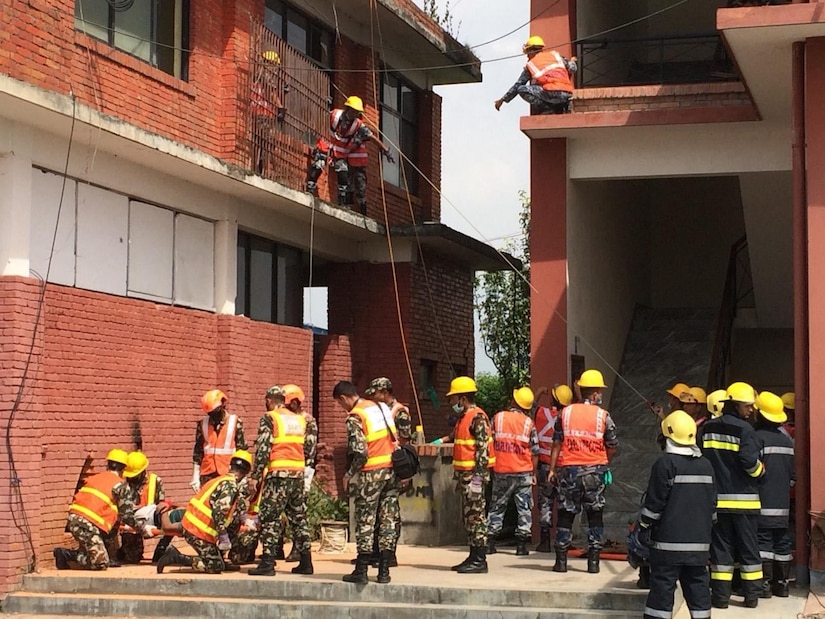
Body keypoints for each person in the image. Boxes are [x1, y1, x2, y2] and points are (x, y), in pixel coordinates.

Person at [637, 411, 716, 619]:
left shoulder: (665, 465)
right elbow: (712, 504)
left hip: (667, 546)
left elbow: (654, 504)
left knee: (662, 590)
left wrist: (643, 526)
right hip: (699, 546)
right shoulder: (706, 466)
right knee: (698, 588)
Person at [699, 381, 765, 609]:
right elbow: (749, 462)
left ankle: (719, 598)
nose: (751, 411)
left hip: (716, 502)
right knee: (748, 550)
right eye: (748, 406)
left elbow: (701, 458)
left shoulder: (707, 428)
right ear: (736, 405)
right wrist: (761, 471)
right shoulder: (745, 430)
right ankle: (752, 597)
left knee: (721, 551)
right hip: (744, 502)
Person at [547, 369, 619, 574]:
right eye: (599, 391)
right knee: (595, 514)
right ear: (595, 392)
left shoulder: (565, 413)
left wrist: (552, 470)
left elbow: (556, 444)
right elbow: (612, 445)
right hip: (595, 472)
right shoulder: (603, 416)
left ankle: (561, 561)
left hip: (569, 471)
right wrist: (603, 462)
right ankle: (594, 562)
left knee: (565, 514)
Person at [335, 380, 401, 584]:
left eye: (340, 403)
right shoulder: (381, 407)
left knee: (366, 520)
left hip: (372, 473)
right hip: (392, 472)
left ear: (344, 398)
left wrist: (349, 473)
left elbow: (361, 452)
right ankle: (383, 571)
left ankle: (361, 570)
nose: (342, 408)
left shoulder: (356, 416)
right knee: (387, 520)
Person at [247, 386, 314, 576]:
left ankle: (267, 562)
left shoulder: (271, 417)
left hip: (278, 475)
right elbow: (309, 448)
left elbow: (263, 449)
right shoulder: (301, 420)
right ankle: (306, 561)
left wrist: (255, 476)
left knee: (270, 517)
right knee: (298, 518)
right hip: (297, 475)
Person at [157, 450, 253, 574]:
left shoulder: (220, 480)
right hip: (197, 530)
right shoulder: (230, 486)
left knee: (234, 523)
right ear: (245, 474)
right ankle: (177, 557)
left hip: (195, 525)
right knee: (215, 567)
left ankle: (218, 558)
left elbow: (235, 506)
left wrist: (245, 518)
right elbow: (219, 511)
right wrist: (223, 536)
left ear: (230, 466)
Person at [54, 448, 143, 570]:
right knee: (100, 564)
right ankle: (66, 555)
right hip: (86, 524)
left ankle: (100, 553)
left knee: (113, 523)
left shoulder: (96, 478)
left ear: (108, 464)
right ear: (124, 469)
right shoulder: (121, 485)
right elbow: (127, 516)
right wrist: (142, 528)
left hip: (78, 520)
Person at [447, 376, 496, 574]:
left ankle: (479, 559)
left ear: (463, 399)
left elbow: (482, 452)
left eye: (453, 399)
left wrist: (477, 480)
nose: (451, 403)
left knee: (476, 517)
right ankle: (473, 555)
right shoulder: (464, 418)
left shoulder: (477, 417)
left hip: (473, 477)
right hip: (464, 476)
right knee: (469, 517)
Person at [363, 377, 411, 567]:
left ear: (385, 393)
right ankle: (376, 552)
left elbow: (405, 441)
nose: (373, 398)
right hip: (380, 468)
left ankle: (389, 554)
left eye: (375, 394)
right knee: (378, 513)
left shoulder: (399, 412)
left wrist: (404, 472)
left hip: (395, 467)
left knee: (391, 514)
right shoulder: (378, 411)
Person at [487, 386, 540, 556]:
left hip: (501, 469)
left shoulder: (497, 418)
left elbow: (488, 443)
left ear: (513, 401)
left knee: (497, 505)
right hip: (523, 471)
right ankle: (522, 545)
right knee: (524, 508)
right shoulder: (528, 423)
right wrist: (533, 474)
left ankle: (490, 541)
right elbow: (535, 451)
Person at [753, 391, 795, 599]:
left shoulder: (757, 438)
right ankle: (782, 585)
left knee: (763, 545)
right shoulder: (787, 442)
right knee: (782, 544)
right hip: (782, 506)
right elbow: (793, 476)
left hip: (761, 504)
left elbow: (751, 470)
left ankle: (764, 585)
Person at [329, 96, 393, 215]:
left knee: (353, 180)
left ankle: (352, 206)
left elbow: (372, 137)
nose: (355, 114)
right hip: (332, 149)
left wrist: (386, 150)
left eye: (357, 112)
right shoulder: (335, 115)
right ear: (347, 108)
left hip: (344, 153)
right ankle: (342, 202)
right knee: (342, 175)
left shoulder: (358, 125)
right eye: (354, 111)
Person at [534, 384, 573, 552]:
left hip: (545, 465)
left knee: (546, 502)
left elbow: (531, 406)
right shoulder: (568, 417)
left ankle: (544, 541)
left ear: (553, 398)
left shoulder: (541, 413)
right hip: (564, 466)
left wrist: (539, 392)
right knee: (565, 503)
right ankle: (564, 539)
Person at [281, 383, 318, 563]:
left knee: (299, 512)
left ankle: (299, 548)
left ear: (295, 402)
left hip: (302, 471)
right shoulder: (285, 419)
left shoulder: (307, 421)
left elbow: (309, 450)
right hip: (285, 471)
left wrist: (307, 476)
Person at [494, 36, 576, 115]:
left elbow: (518, 85)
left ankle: (548, 109)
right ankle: (563, 106)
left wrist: (502, 100)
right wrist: (572, 61)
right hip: (567, 94)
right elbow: (573, 69)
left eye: (527, 53)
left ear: (531, 51)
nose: (527, 56)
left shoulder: (531, 64)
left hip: (551, 93)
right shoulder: (556, 56)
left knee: (521, 89)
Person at [191, 389, 246, 492]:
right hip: (207, 474)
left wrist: (243, 475)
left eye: (215, 412)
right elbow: (198, 451)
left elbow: (242, 450)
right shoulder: (203, 424)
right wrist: (195, 475)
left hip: (229, 473)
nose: (213, 415)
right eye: (210, 413)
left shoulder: (235, 423)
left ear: (222, 406)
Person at [119, 451, 169, 564]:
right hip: (131, 521)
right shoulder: (124, 482)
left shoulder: (155, 481)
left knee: (171, 522)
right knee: (132, 559)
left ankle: (161, 549)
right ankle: (125, 549)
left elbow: (161, 503)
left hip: (151, 519)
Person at [250, 49, 285, 177]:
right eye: (274, 65)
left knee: (259, 142)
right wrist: (280, 108)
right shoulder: (264, 75)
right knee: (266, 143)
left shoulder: (257, 76)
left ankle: (257, 168)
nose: (275, 69)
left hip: (259, 113)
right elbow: (271, 92)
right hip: (262, 114)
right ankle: (262, 170)